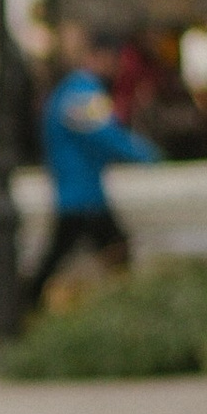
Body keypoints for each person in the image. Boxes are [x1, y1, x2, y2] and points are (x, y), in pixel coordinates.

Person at [32, 22, 161, 305]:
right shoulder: (83, 92)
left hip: (79, 192)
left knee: (79, 253)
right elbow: (105, 133)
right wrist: (146, 154)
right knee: (111, 252)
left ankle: (26, 303)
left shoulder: (71, 89)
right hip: (82, 195)